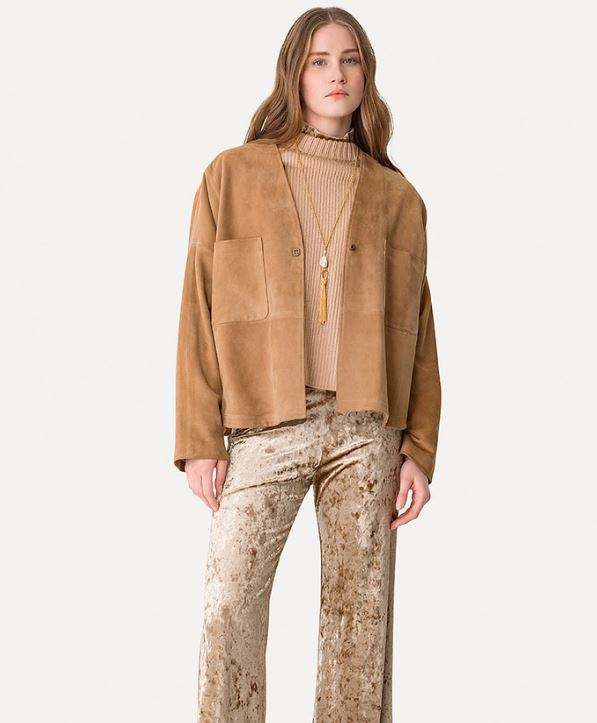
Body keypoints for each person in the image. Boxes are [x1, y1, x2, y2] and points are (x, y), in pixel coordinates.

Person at [173, 7, 441, 722]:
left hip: (366, 427)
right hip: (265, 421)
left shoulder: (398, 198)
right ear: (294, 73)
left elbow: (419, 333)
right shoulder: (232, 176)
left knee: (359, 626)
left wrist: (418, 448)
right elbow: (198, 307)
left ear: (366, 75)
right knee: (229, 604)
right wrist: (199, 437)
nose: (335, 74)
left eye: (349, 60)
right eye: (319, 60)